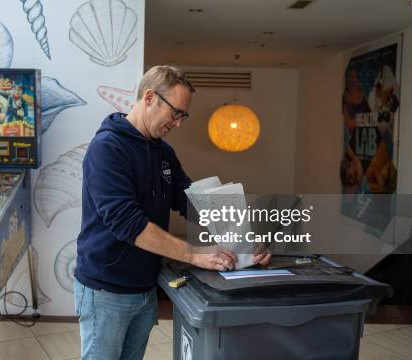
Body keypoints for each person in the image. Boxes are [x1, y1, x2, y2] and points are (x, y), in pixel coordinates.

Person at [74, 65, 271, 360]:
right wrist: (194, 254)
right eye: (176, 113)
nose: (178, 123)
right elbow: (129, 223)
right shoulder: (107, 148)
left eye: (183, 116)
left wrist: (243, 239)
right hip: (106, 290)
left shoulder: (163, 152)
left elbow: (188, 201)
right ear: (150, 97)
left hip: (145, 287)